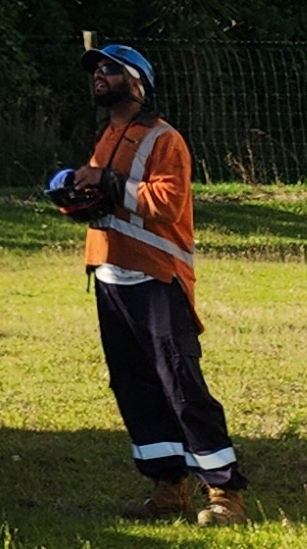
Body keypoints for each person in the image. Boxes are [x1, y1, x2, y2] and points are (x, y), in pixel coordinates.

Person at [56, 44, 245, 526]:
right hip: (110, 276)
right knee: (134, 386)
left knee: (180, 383)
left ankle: (224, 493)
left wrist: (107, 181)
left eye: (110, 69)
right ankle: (168, 489)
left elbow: (166, 201)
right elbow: (105, 198)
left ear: (137, 83)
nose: (99, 75)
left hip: (158, 278)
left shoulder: (165, 139)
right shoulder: (107, 135)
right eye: (95, 70)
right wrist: (74, 195)